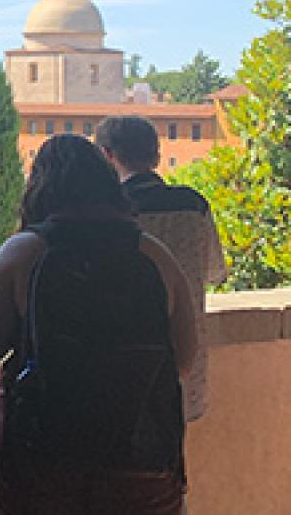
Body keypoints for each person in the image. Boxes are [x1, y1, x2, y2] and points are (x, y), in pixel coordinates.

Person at [0, 134, 198, 515]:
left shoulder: (24, 251)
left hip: (41, 457)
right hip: (139, 453)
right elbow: (183, 362)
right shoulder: (154, 254)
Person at [96, 115, 227, 424]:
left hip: (122, 363)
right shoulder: (194, 205)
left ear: (107, 156)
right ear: (155, 155)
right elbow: (213, 272)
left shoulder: (107, 212)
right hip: (185, 362)